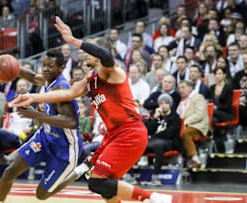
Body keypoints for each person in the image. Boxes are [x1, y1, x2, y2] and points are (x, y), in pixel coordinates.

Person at [9, 16, 172, 203]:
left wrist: (73, 40)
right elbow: (67, 94)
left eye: (90, 50)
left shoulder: (114, 72)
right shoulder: (90, 80)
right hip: (114, 135)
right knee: (105, 187)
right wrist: (33, 97)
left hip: (130, 133)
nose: (85, 53)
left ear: (99, 52)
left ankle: (152, 197)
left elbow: (106, 56)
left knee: (97, 182)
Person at [0, 48, 82, 202]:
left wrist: (35, 114)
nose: (46, 69)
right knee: (10, 172)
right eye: (44, 65)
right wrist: (7, 65)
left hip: (65, 147)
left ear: (61, 68)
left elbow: (71, 122)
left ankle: (80, 170)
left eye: (51, 66)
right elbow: (34, 77)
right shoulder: (49, 79)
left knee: (41, 195)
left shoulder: (61, 88)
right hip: (45, 137)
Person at [144, 94, 183, 186]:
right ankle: (128, 174)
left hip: (169, 142)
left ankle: (155, 176)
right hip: (153, 141)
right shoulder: (155, 115)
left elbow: (170, 133)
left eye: (166, 103)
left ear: (170, 105)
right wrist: (154, 118)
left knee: (158, 145)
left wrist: (154, 137)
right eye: (161, 103)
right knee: (137, 144)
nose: (163, 105)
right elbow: (147, 130)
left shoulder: (175, 117)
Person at [177, 80, 209, 169]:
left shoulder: (198, 97)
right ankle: (179, 160)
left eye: (183, 87)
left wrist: (186, 121)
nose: (180, 90)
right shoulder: (182, 100)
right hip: (183, 125)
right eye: (179, 88)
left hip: (198, 125)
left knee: (186, 132)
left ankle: (196, 160)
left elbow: (200, 114)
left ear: (190, 88)